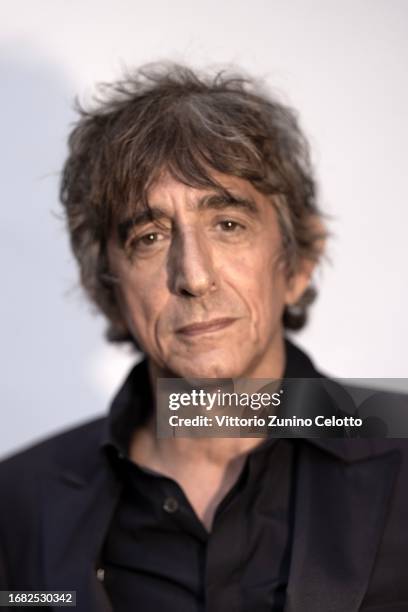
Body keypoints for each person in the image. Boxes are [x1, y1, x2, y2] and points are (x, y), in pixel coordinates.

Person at [0, 63, 407, 612]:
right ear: (108, 287)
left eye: (228, 224)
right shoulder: (18, 502)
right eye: (149, 236)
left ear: (298, 261)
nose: (193, 276)